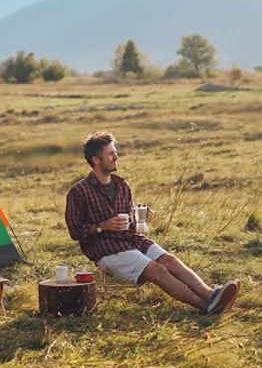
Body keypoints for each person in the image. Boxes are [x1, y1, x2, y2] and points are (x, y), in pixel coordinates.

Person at [65, 131, 239, 313]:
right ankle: (207, 307)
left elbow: (130, 220)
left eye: (115, 152)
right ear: (96, 159)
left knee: (169, 260)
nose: (116, 157)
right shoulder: (79, 191)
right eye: (110, 154)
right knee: (158, 270)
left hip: (132, 240)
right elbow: (75, 231)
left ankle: (211, 295)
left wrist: (141, 216)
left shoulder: (122, 186)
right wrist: (102, 226)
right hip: (107, 249)